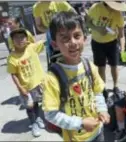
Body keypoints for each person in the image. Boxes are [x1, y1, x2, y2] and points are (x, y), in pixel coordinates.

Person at [43, 11, 110, 142]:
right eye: (65, 38)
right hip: (76, 138)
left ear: (85, 38)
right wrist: (80, 123)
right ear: (55, 44)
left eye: (77, 36)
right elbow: (50, 114)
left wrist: (102, 110)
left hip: (98, 131)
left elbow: (97, 92)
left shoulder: (89, 66)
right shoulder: (52, 77)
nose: (73, 42)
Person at [85, 2, 126, 101]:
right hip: (97, 43)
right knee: (101, 67)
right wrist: (97, 28)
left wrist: (123, 49)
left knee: (114, 66)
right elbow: (88, 22)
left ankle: (115, 86)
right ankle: (103, 88)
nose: (115, 9)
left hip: (112, 43)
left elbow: (121, 34)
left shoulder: (118, 14)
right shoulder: (96, 7)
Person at [7, 29, 45, 137]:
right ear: (12, 41)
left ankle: (38, 118)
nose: (19, 40)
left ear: (26, 38)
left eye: (22, 37)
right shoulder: (12, 58)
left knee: (37, 102)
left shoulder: (32, 48)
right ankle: (34, 124)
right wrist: (20, 88)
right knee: (29, 105)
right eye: (16, 38)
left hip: (37, 84)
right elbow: (13, 74)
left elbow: (45, 42)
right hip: (25, 87)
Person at [33, 1, 75, 66]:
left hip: (65, 33)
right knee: (55, 61)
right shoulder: (37, 7)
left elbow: (74, 14)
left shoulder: (60, 2)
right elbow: (39, 25)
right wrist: (51, 30)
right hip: (50, 35)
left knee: (71, 56)